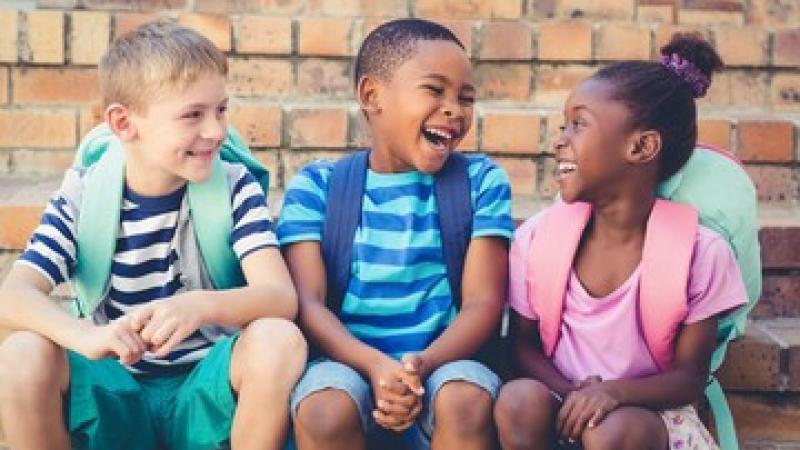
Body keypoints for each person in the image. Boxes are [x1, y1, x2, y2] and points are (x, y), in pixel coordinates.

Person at [0, 21, 305, 450]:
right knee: (21, 352)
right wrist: (84, 335)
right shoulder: (86, 195)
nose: (216, 131)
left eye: (221, 109)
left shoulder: (234, 186)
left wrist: (201, 306)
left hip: (207, 392)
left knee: (278, 338)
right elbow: (12, 296)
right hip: (115, 389)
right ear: (124, 123)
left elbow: (280, 297)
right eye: (192, 115)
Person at [494, 33, 748, 450]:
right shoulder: (537, 239)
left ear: (642, 146)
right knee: (518, 399)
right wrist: (577, 393)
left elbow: (689, 379)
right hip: (563, 400)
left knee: (608, 431)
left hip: (650, 417)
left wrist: (613, 393)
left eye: (579, 124)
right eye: (563, 125)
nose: (559, 140)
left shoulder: (701, 253)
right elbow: (519, 344)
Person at [278, 18, 514, 450]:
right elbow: (307, 303)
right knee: (323, 408)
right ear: (372, 96)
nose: (454, 110)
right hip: (346, 363)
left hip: (445, 365)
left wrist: (418, 367)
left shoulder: (482, 181)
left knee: (465, 398)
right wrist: (374, 366)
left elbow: (484, 302)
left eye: (466, 98)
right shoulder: (318, 187)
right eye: (434, 90)